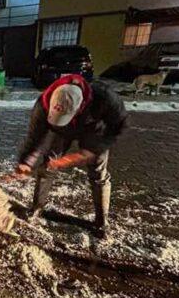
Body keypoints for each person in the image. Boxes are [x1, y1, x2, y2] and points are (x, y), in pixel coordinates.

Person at [7, 74, 128, 239]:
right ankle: (36, 208)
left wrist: (94, 149)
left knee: (98, 173)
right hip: (60, 131)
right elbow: (35, 137)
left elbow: (119, 125)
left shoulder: (104, 98)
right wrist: (26, 162)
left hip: (93, 130)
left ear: (80, 107)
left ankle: (101, 221)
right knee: (48, 166)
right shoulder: (43, 104)